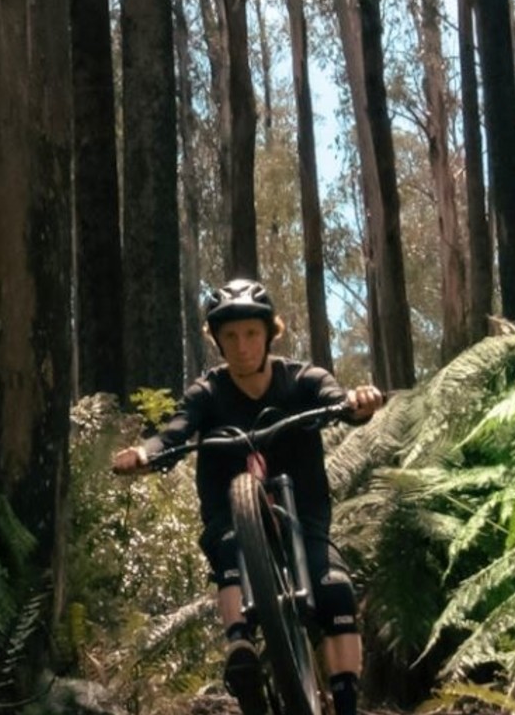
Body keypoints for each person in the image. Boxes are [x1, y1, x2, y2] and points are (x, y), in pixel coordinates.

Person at [112, 279, 384, 714]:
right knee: (230, 550)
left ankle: (346, 702)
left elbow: (338, 400)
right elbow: (175, 432)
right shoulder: (207, 392)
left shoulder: (303, 379)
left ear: (269, 333)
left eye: (251, 334)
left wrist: (358, 402)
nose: (242, 346)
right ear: (217, 341)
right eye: (231, 336)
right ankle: (239, 643)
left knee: (334, 590)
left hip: (307, 514)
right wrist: (144, 454)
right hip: (230, 516)